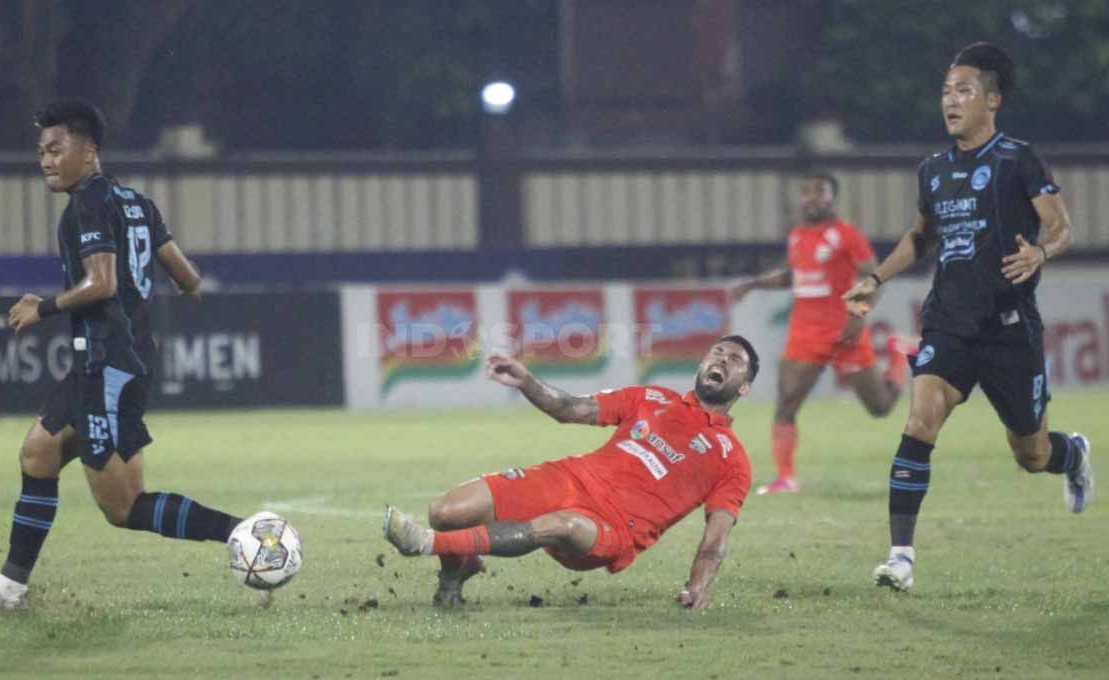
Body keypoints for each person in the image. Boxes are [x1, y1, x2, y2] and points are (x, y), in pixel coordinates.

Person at [0, 99, 242, 609]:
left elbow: (101, 282)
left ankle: (242, 532)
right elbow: (189, 279)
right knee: (38, 452)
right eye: (41, 151)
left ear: (89, 152)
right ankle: (10, 587)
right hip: (109, 360)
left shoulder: (85, 204)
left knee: (124, 508)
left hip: (108, 364)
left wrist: (42, 307)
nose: (46, 160)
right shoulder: (138, 203)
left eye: (57, 149)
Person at [842, 43, 1093, 592]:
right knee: (919, 423)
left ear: (993, 100)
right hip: (948, 323)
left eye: (964, 90)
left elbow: (1064, 228)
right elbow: (920, 238)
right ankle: (901, 557)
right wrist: (877, 279)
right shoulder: (932, 170)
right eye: (946, 91)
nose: (951, 101)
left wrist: (1041, 253)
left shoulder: (1018, 159)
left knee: (1031, 453)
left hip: (1009, 330)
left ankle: (1071, 454)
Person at [383, 336, 759, 609]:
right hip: (570, 478)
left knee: (564, 525)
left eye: (735, 359)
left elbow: (715, 538)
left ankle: (424, 543)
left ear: (744, 387)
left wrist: (698, 587)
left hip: (612, 525)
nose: (723, 359)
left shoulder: (732, 460)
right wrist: (527, 382)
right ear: (701, 364)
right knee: (446, 512)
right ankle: (454, 573)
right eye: (717, 351)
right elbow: (569, 409)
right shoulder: (651, 397)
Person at [730, 172, 912, 494]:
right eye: (807, 192)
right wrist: (753, 284)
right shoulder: (798, 235)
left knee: (880, 407)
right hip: (805, 333)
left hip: (845, 332)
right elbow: (794, 276)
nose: (812, 198)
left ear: (832, 198)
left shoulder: (847, 235)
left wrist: (857, 313)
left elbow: (874, 277)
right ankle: (786, 478)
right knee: (786, 403)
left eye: (820, 192)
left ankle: (900, 353)